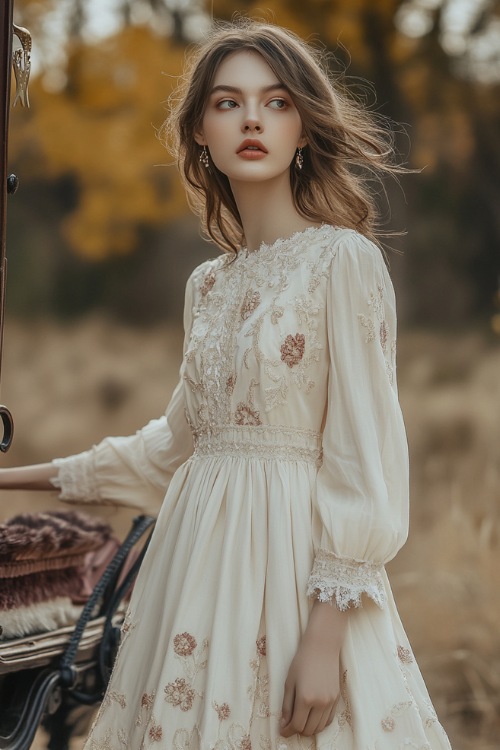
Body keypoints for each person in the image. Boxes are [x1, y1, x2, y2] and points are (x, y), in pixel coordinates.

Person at [0, 19, 452, 750]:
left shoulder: (344, 262)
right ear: (199, 132)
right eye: (227, 102)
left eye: (276, 103)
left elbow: (365, 457)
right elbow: (167, 452)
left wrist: (324, 638)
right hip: (195, 580)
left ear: (304, 128)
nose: (251, 119)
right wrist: (9, 478)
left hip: (298, 580)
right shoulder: (206, 285)